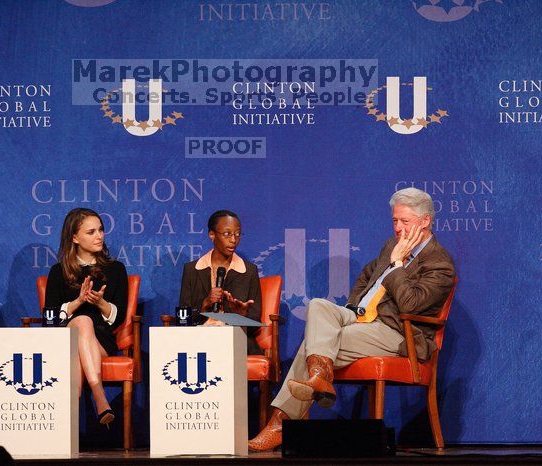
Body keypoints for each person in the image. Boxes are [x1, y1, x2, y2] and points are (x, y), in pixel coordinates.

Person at [248, 188, 456, 451]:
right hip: (361, 318)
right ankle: (319, 376)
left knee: (316, 343)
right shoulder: (391, 245)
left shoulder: (439, 263)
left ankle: (281, 421)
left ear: (425, 221)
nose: (398, 229)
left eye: (405, 221)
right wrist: (353, 308)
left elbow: (410, 303)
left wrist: (398, 265)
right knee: (318, 306)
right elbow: (368, 275)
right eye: (395, 221)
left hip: (397, 332)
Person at [45, 208, 128, 427]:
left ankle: (64, 428)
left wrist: (100, 302)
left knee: (84, 326)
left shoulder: (116, 270)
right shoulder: (58, 272)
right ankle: (99, 395)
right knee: (81, 323)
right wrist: (79, 301)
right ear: (74, 237)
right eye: (91, 232)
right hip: (65, 342)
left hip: (100, 341)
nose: (99, 236)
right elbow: (50, 317)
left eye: (100, 230)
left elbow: (118, 318)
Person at [179, 210, 262, 355]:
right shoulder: (192, 269)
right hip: (199, 339)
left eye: (237, 234)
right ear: (212, 235)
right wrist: (204, 306)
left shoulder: (249, 271)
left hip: (235, 340)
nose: (233, 240)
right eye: (227, 234)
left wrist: (241, 315)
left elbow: (255, 322)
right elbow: (182, 319)